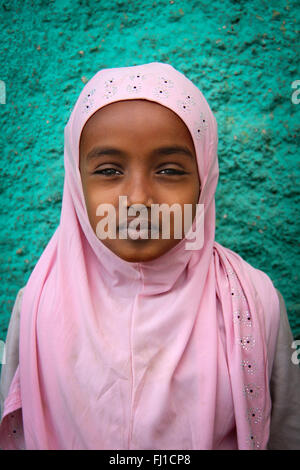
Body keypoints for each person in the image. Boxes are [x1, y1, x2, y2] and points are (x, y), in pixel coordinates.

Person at [0, 62, 299, 450]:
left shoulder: (254, 302)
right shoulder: (37, 306)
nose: (138, 200)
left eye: (170, 170)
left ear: (203, 180)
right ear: (76, 183)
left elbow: (287, 435)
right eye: (108, 171)